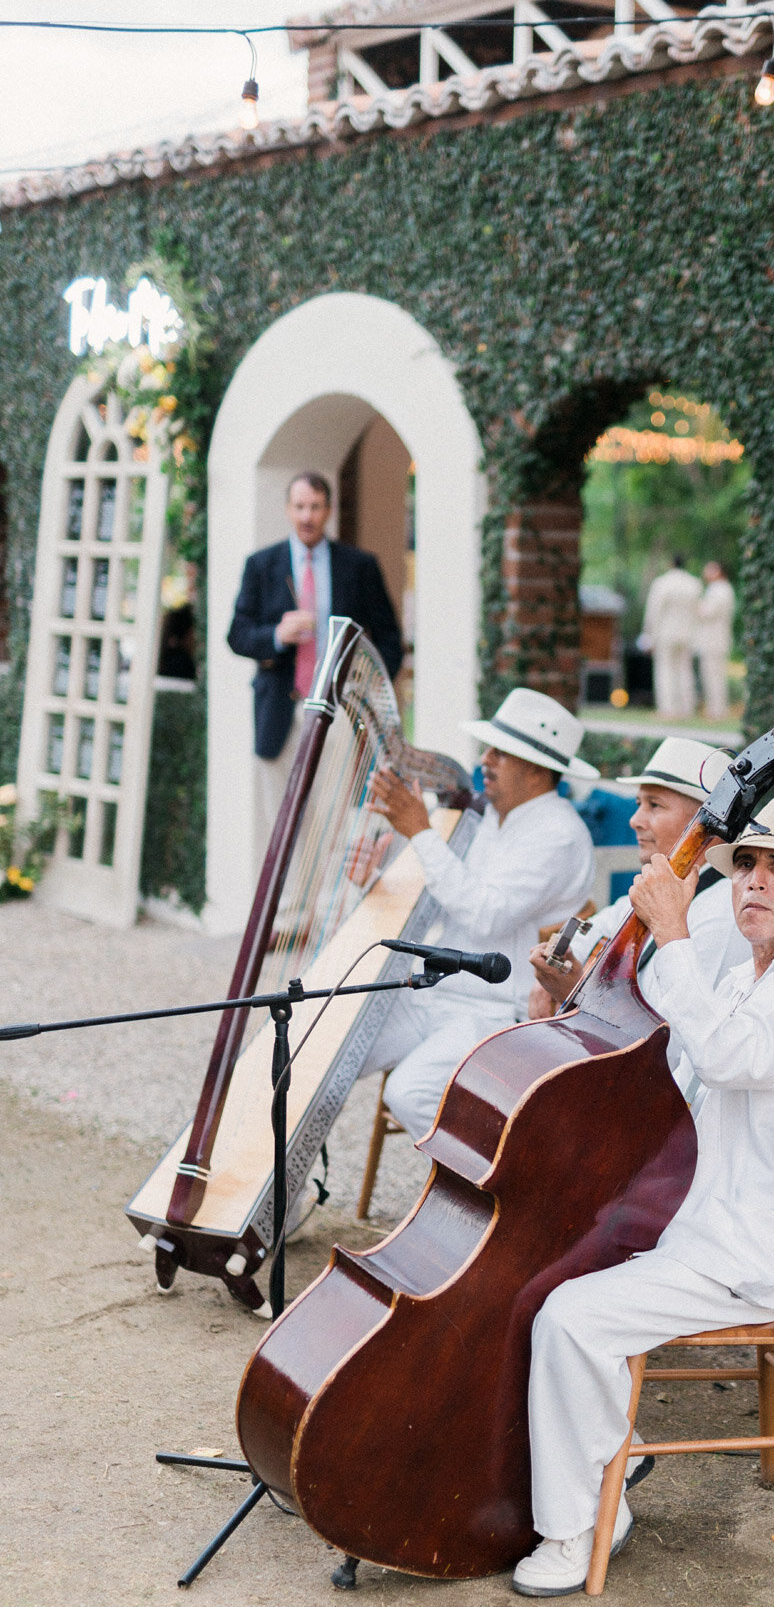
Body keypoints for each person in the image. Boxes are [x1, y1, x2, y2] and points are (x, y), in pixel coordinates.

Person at [512, 797, 774, 1597]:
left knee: (568, 1318)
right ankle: (608, 1453)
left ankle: (580, 1528)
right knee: (528, 1259)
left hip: (746, 1252)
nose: (754, 880)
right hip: (694, 1216)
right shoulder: (763, 969)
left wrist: (675, 934)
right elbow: (677, 1061)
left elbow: (722, 1057)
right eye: (745, 864)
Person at [359, 687, 598, 1141]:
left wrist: (421, 833)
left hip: (497, 1011)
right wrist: (373, 880)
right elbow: (446, 900)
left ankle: (499, 1185)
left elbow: (485, 915)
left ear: (534, 768)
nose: (484, 760)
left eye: (499, 753)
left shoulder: (558, 834)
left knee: (410, 1093)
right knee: (330, 1045)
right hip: (437, 993)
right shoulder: (493, 817)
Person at [528, 737, 745, 1060]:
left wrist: (577, 996)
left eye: (654, 806)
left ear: (706, 823)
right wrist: (554, 965)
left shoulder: (723, 914)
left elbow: (667, 1046)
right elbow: (596, 930)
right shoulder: (661, 888)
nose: (635, 820)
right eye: (639, 804)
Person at [227, 471, 404, 857]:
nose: (307, 516)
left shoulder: (359, 566)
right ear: (288, 509)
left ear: (328, 510)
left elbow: (391, 640)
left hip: (337, 710)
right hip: (279, 706)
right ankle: (288, 915)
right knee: (281, 820)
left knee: (333, 817)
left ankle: (325, 911)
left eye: (315, 507)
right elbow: (237, 634)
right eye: (300, 507)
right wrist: (276, 635)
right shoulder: (261, 565)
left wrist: (365, 690)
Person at [641, 555, 702, 719]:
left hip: (665, 633)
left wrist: (649, 636)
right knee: (685, 671)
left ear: (670, 564)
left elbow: (654, 612)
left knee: (665, 670)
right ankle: (687, 708)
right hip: (688, 633)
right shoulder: (694, 584)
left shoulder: (662, 583)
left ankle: (667, 709)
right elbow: (698, 611)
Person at [694, 561, 736, 721]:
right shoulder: (725, 589)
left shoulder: (719, 589)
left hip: (713, 640)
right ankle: (716, 708)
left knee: (713, 676)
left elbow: (706, 612)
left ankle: (716, 710)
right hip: (717, 639)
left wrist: (695, 604)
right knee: (714, 675)